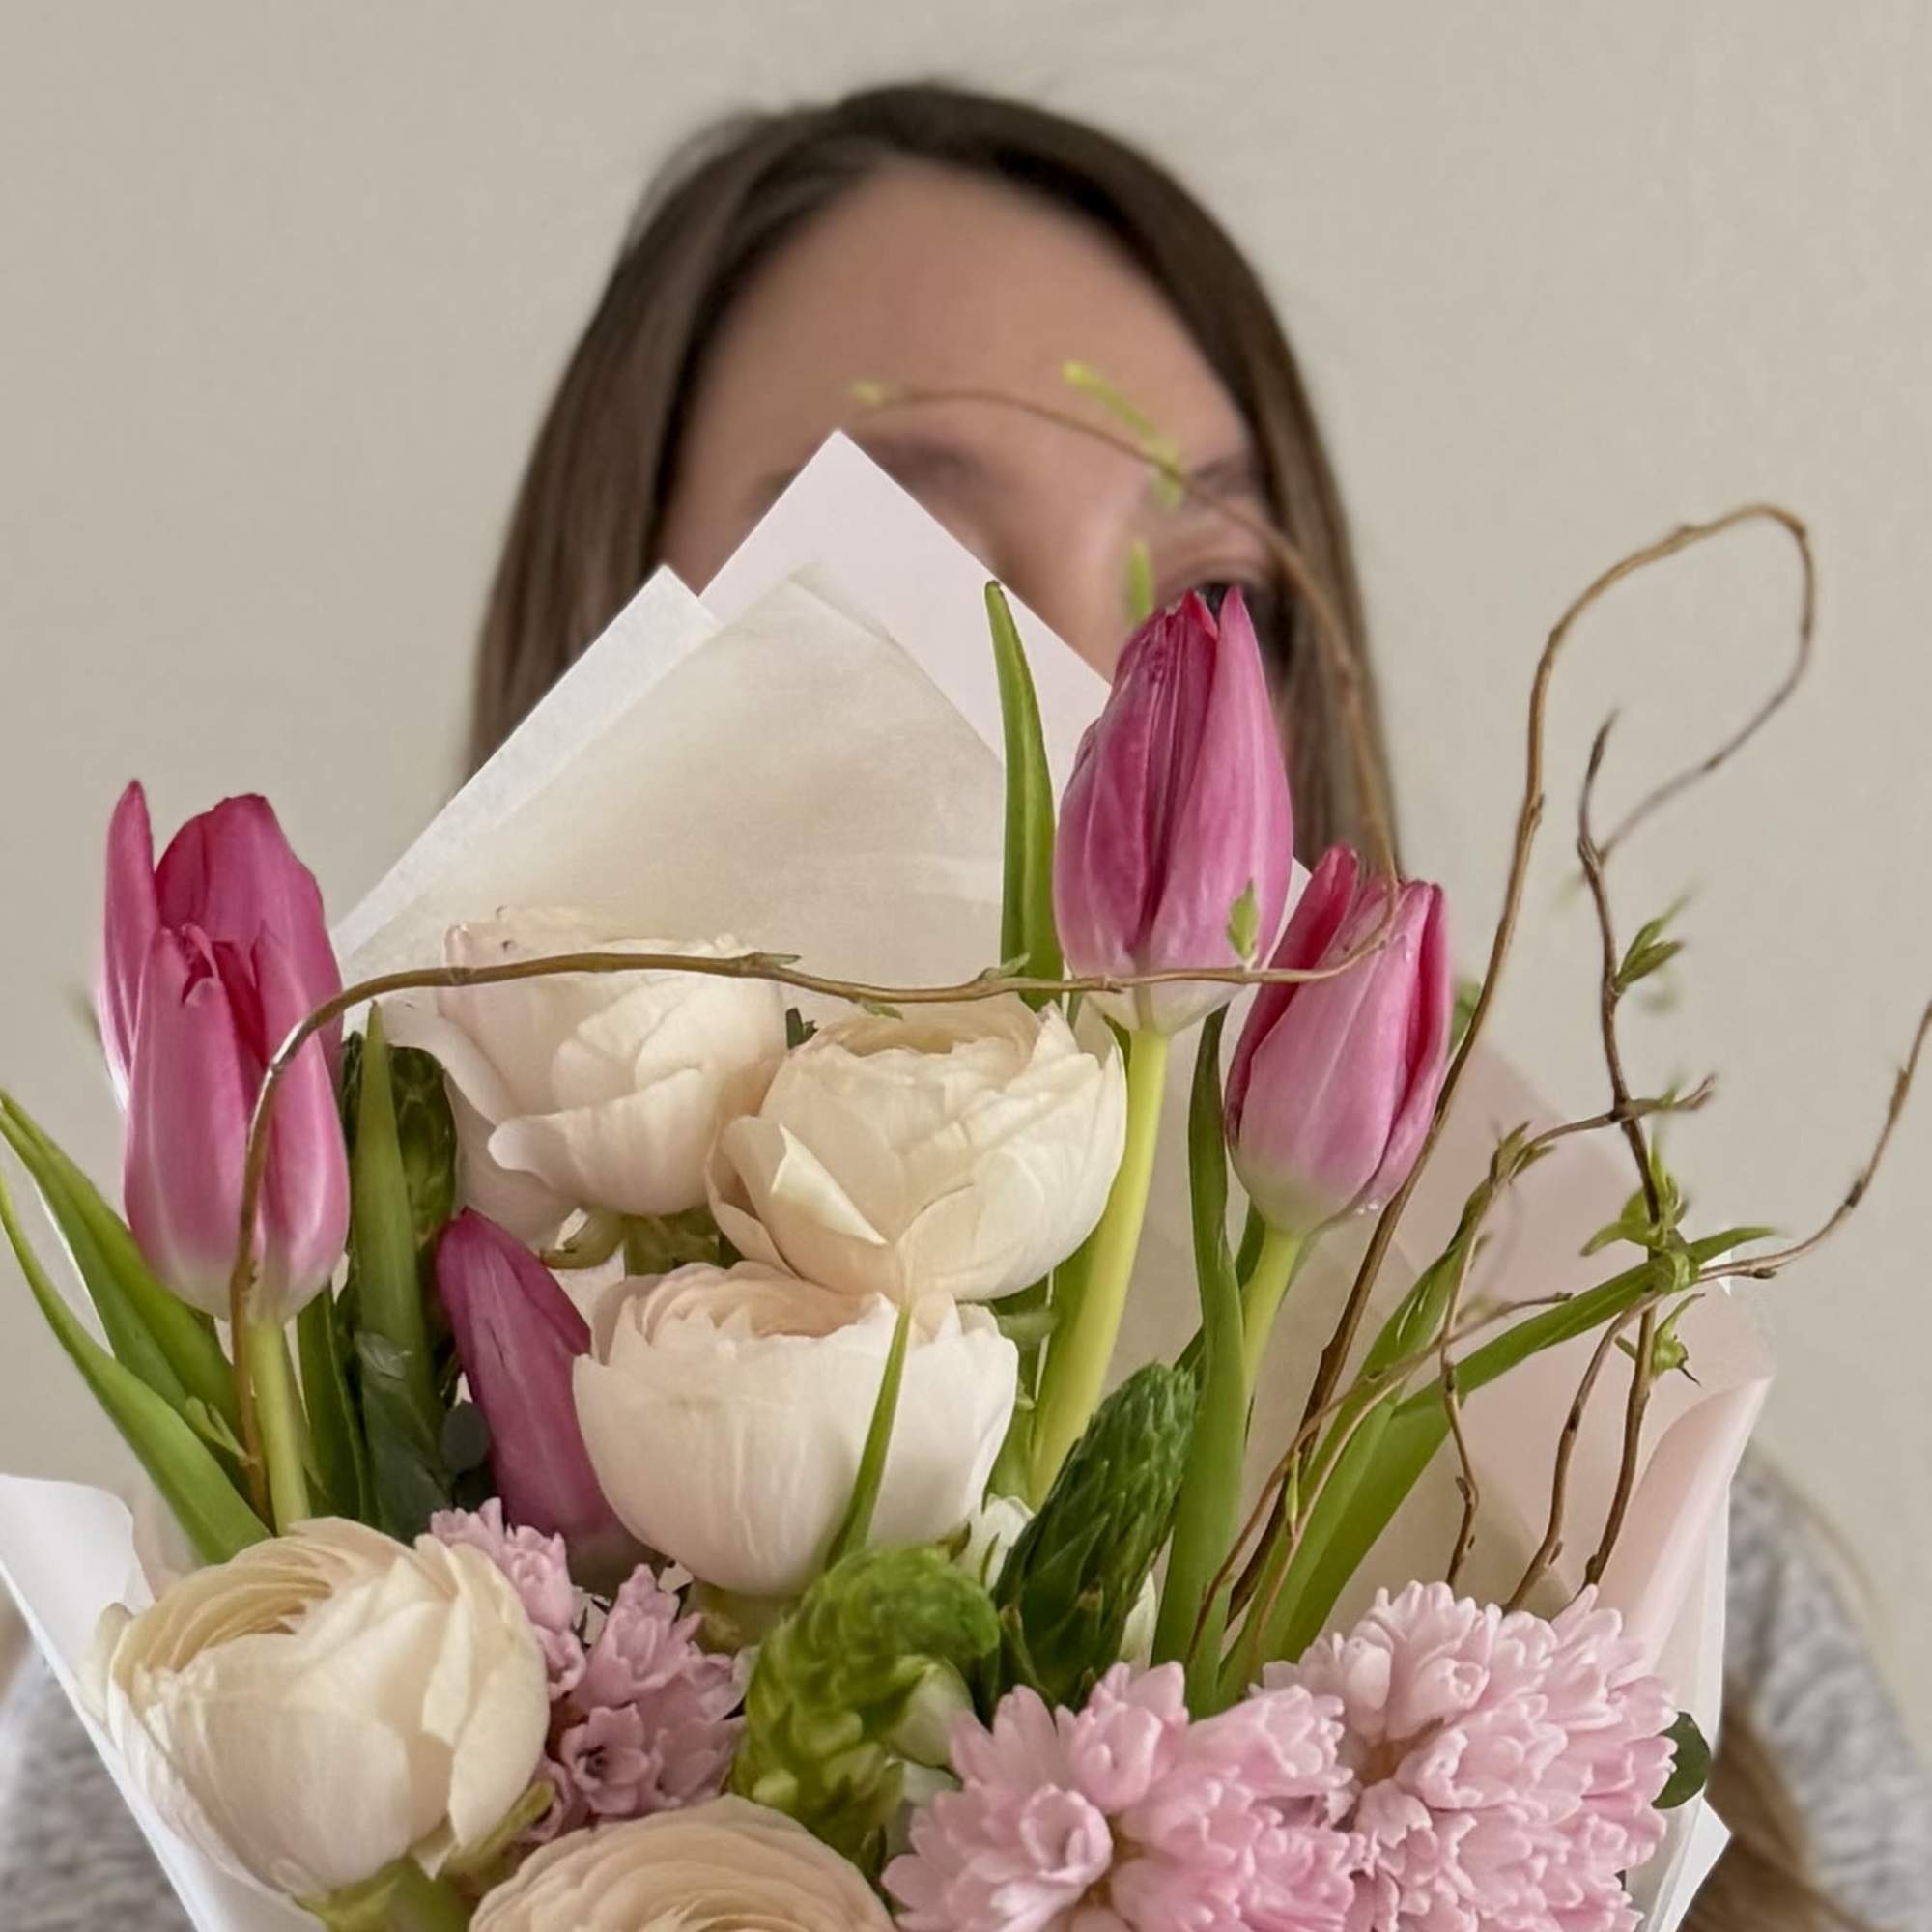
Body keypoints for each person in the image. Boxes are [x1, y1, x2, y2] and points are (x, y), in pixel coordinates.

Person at [4, 81, 1928, 1932]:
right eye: (915, 560)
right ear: (612, 654)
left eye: (1209, 596)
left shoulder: (1653, 1574)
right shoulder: (243, 1671)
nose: (1084, 700)